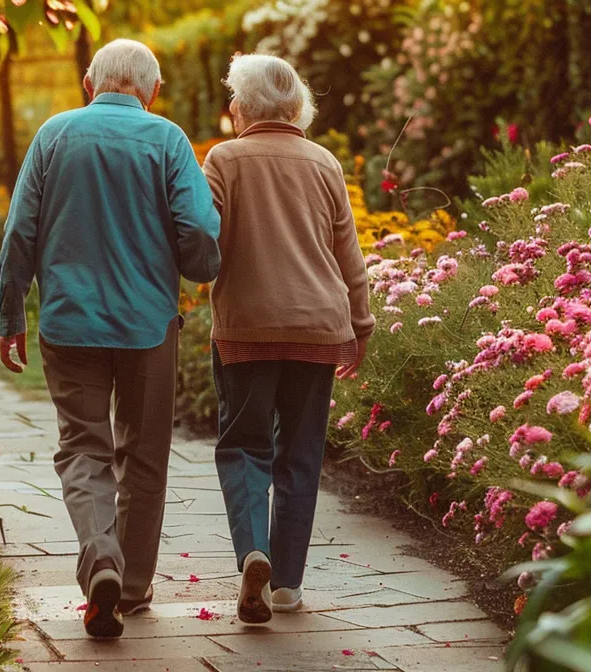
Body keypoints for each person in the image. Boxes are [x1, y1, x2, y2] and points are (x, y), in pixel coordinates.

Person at [0, 38, 221, 639]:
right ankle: (135, 585)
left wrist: (10, 312)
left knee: (82, 447)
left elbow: (20, 229)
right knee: (144, 454)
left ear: (90, 84)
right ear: (152, 91)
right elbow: (198, 226)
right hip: (148, 327)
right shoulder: (169, 140)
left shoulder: (54, 135)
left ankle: (101, 561)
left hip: (69, 323)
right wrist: (198, 265)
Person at [201, 54, 373, 624]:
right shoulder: (323, 162)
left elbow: (206, 243)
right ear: (296, 105)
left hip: (247, 327)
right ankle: (288, 586)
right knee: (300, 454)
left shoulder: (224, 159)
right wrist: (361, 325)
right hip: (319, 325)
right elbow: (348, 253)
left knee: (244, 444)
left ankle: (254, 550)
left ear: (243, 107)